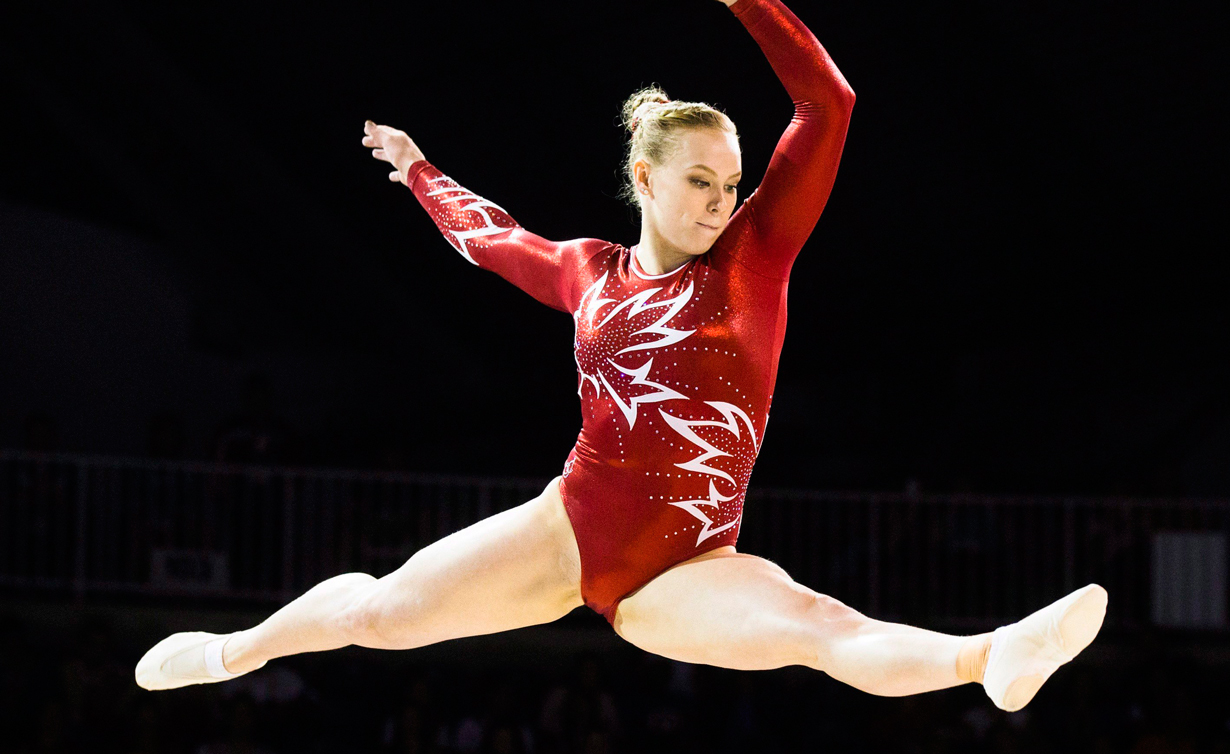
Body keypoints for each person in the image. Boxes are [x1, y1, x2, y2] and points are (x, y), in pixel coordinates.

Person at [136, 0, 1106, 714]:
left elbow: (829, 102)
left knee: (816, 627)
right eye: (696, 180)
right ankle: (236, 649)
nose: (718, 200)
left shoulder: (754, 258)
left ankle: (990, 656)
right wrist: (418, 168)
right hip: (565, 526)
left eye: (728, 182)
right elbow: (487, 235)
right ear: (644, 177)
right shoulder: (587, 272)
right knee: (383, 610)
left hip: (680, 570)